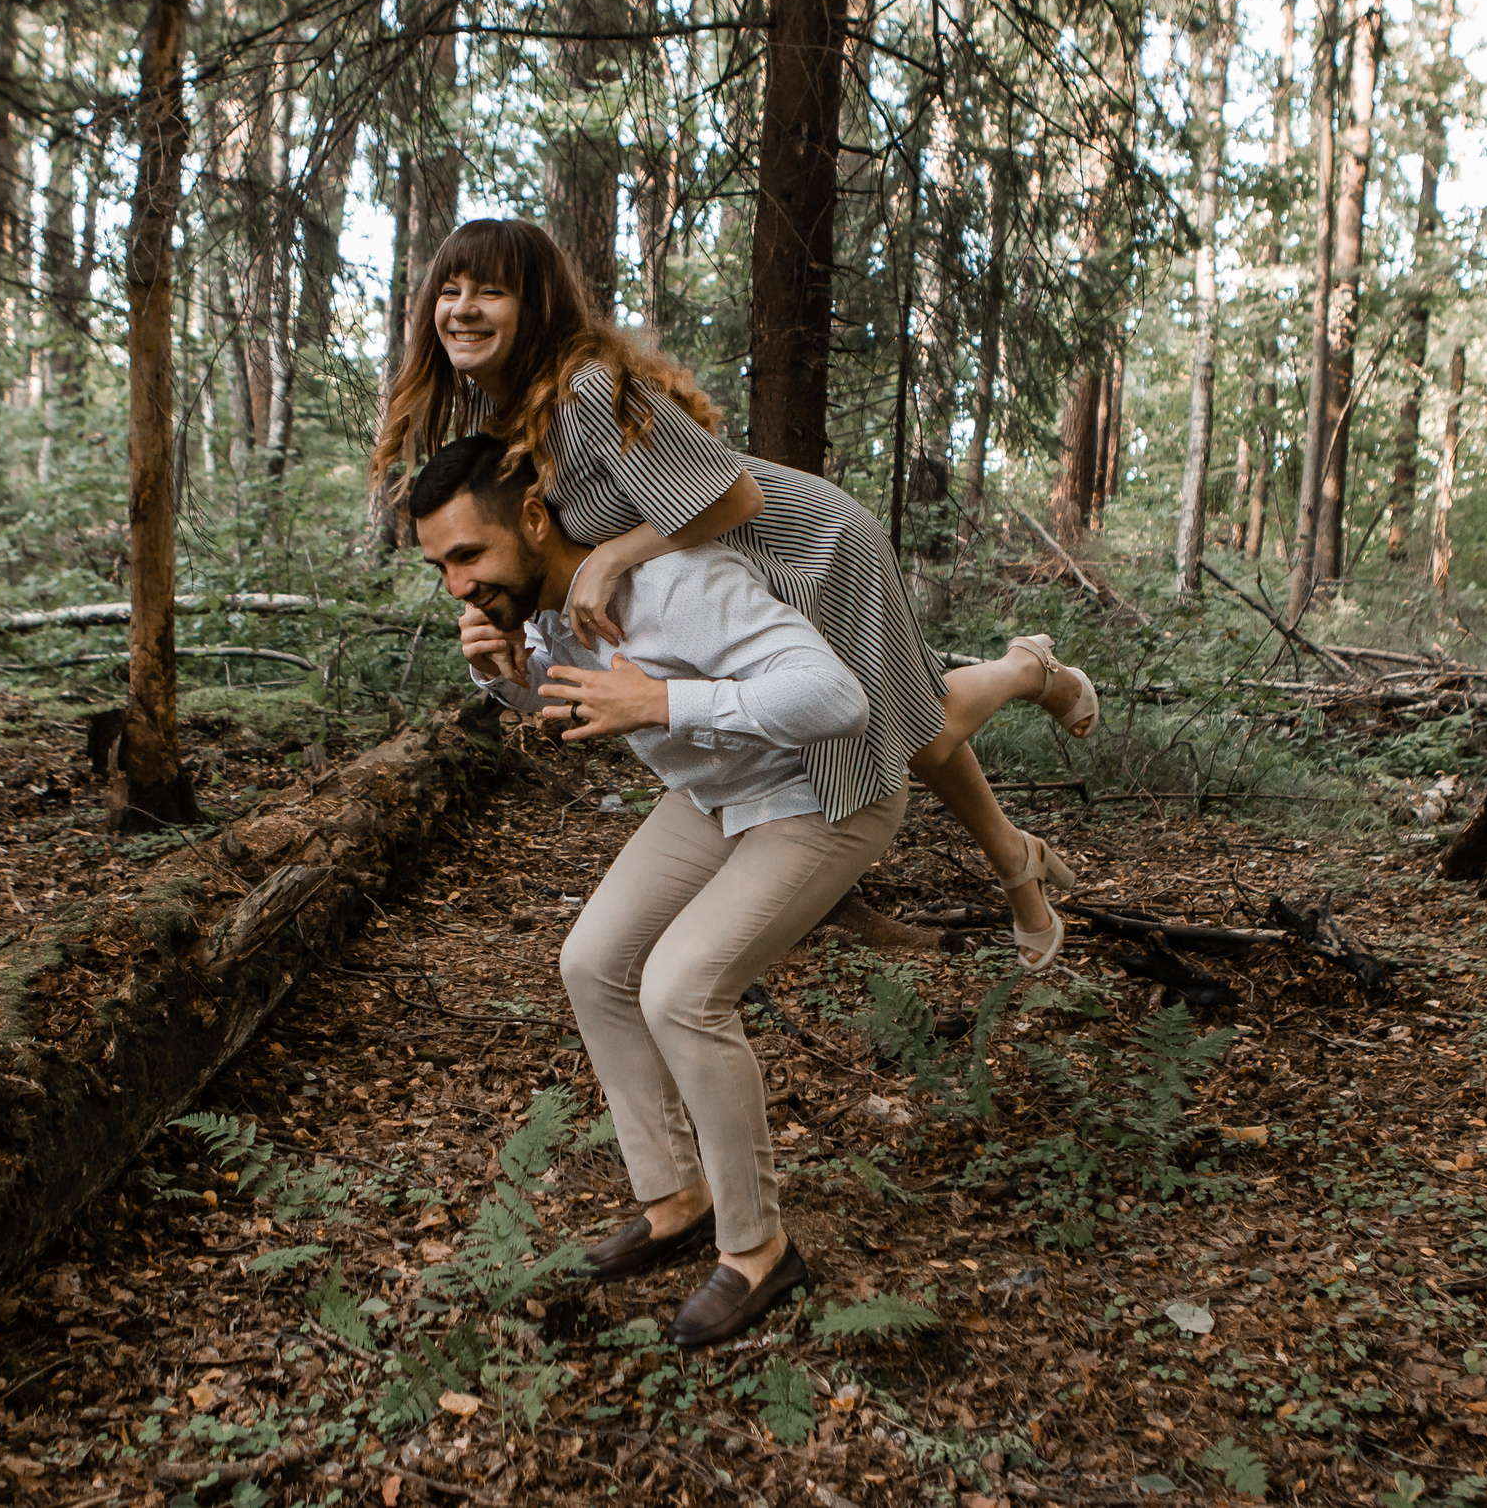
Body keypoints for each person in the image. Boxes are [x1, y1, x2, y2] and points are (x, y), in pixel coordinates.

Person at [369, 218, 1098, 970]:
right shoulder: (518, 415)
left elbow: (737, 496)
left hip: (804, 546)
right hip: (731, 568)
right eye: (449, 290)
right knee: (915, 726)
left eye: (491, 291)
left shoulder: (586, 392)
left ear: (539, 303)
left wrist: (614, 557)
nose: (463, 308)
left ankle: (1028, 688)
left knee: (913, 732)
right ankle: (1022, 840)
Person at [410, 432, 889, 1347]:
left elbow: (834, 696)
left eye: (468, 555)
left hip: (825, 788)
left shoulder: (673, 586)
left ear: (536, 520)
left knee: (682, 989)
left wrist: (667, 705)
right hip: (719, 791)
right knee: (592, 961)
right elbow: (574, 701)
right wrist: (507, 678)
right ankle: (677, 1196)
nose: (456, 585)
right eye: (440, 566)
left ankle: (759, 1250)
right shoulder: (546, 613)